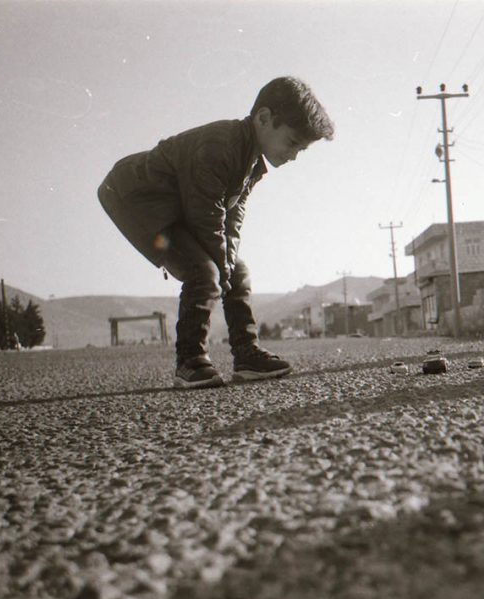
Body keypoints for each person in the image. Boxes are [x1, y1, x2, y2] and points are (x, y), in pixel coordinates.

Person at [98, 76, 334, 387]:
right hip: (135, 198)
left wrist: (229, 260)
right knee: (203, 269)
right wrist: (221, 263)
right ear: (264, 118)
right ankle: (190, 361)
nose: (293, 156)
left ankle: (247, 354)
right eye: (292, 143)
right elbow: (205, 217)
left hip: (178, 205)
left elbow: (232, 217)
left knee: (235, 268)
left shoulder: (252, 162)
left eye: (300, 150)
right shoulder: (219, 146)